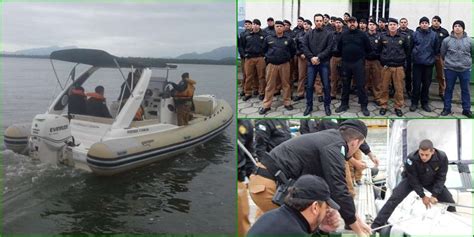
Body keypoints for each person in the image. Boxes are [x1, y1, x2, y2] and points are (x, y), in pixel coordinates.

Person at [248, 119, 372, 236]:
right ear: (355, 142)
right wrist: (358, 231)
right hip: (269, 184)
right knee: (298, 224)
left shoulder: (330, 139)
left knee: (310, 223)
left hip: (273, 181)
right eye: (359, 145)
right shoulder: (334, 147)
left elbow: (332, 187)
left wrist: (356, 219)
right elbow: (339, 188)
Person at [371, 139, 456, 231]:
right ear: (418, 151)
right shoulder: (411, 158)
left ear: (433, 151)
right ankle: (376, 225)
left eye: (426, 155)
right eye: (421, 154)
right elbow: (413, 179)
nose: (423, 157)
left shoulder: (442, 157)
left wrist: (434, 195)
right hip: (411, 180)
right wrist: (423, 196)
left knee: (449, 201)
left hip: (431, 180)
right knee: (394, 197)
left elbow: (441, 177)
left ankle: (454, 224)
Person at [247, 175, 341, 236]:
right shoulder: (295, 232)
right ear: (315, 207)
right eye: (326, 208)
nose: (326, 212)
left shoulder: (270, 216)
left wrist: (323, 230)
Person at [335, 16, 372, 117]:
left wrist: (362, 58)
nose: (352, 24)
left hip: (358, 63)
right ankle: (344, 104)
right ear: (347, 24)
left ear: (357, 23)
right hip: (346, 63)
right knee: (345, 84)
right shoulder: (343, 35)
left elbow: (369, 49)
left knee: (360, 85)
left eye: (354, 22)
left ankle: (364, 106)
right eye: (350, 22)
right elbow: (339, 48)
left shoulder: (363, 35)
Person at [259, 20, 296, 115]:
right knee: (270, 85)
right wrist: (269, 58)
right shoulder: (268, 38)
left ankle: (287, 102)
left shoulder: (288, 39)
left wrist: (287, 58)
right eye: (277, 26)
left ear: (283, 28)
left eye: (280, 26)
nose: (279, 27)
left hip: (285, 65)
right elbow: (263, 50)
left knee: (286, 85)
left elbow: (293, 51)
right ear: (274, 27)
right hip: (272, 65)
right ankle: (266, 105)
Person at [301, 14, 333, 116]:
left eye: (320, 20)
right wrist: (311, 58)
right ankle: (309, 106)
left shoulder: (328, 34)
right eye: (317, 20)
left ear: (323, 21)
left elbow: (329, 48)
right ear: (314, 22)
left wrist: (319, 57)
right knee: (310, 86)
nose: (318, 22)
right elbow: (304, 47)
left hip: (323, 63)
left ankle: (327, 106)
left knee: (326, 86)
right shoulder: (309, 34)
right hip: (311, 63)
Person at [378, 18, 410, 117]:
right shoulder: (383, 36)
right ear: (388, 26)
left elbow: (407, 51)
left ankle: (398, 107)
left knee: (399, 89)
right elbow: (379, 49)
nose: (392, 26)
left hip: (398, 67)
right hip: (386, 66)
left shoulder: (403, 37)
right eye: (391, 24)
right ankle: (383, 105)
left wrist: (403, 62)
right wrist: (383, 61)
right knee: (384, 88)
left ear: (397, 26)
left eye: (394, 24)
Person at [440, 20, 472, 118]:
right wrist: (447, 64)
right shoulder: (447, 40)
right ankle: (447, 108)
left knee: (465, 90)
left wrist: (467, 63)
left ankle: (466, 110)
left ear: (463, 28)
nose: (457, 28)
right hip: (450, 69)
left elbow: (472, 54)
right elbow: (443, 53)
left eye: (459, 26)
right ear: (453, 28)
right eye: (455, 26)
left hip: (465, 69)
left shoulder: (470, 41)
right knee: (448, 89)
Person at [410, 17, 439, 113]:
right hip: (417, 64)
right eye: (422, 22)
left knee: (426, 85)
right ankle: (414, 103)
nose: (424, 24)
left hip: (428, 64)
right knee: (416, 85)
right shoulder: (415, 34)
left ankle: (424, 103)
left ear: (428, 24)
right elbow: (410, 47)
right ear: (419, 24)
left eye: (426, 23)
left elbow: (436, 48)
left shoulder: (434, 35)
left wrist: (432, 58)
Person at [237, 120, 256, 236]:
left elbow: (249, 151)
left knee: (243, 220)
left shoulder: (246, 125)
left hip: (238, 179)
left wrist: (252, 177)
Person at [241, 19, 266, 101]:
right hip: (249, 58)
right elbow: (242, 46)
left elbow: (267, 46)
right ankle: (247, 93)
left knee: (261, 76)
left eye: (257, 24)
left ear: (259, 26)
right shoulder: (246, 35)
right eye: (254, 24)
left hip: (260, 58)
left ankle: (262, 92)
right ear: (252, 25)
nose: (255, 26)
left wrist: (265, 56)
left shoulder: (264, 35)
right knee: (248, 76)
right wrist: (244, 55)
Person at [293, 19, 313, 102]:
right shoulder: (299, 34)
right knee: (301, 76)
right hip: (302, 57)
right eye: (305, 24)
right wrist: (300, 53)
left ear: (311, 25)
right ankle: (300, 93)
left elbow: (317, 45)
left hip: (312, 58)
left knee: (316, 77)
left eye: (308, 24)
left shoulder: (314, 33)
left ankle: (319, 94)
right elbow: (296, 46)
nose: (306, 25)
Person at [431, 16, 450, 100]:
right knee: (426, 75)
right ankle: (424, 92)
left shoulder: (444, 32)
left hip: (440, 56)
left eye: (438, 21)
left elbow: (448, 44)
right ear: (431, 22)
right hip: (429, 55)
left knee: (441, 75)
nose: (436, 22)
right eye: (434, 21)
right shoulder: (428, 30)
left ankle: (442, 92)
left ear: (440, 22)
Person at [365, 19, 383, 106]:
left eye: (373, 25)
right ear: (368, 26)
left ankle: (378, 98)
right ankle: (364, 98)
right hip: (366, 61)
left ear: (376, 26)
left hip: (376, 61)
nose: (371, 26)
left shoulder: (380, 36)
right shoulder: (364, 36)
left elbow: (383, 49)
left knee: (377, 80)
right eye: (370, 24)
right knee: (365, 80)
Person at [398, 18, 415, 97]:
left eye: (405, 22)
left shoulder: (411, 33)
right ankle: (394, 89)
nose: (403, 24)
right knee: (396, 75)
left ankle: (408, 89)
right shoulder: (396, 32)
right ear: (399, 24)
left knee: (408, 75)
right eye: (402, 22)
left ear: (407, 23)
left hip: (408, 57)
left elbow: (414, 44)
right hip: (398, 57)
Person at [329, 18, 345, 100]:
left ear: (342, 24)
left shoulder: (345, 34)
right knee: (333, 76)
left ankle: (343, 94)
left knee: (344, 76)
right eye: (337, 23)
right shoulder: (331, 34)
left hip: (343, 58)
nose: (338, 24)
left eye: (339, 22)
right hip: (333, 57)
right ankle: (333, 93)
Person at [238, 20, 254, 97]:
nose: (247, 25)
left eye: (249, 24)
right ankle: (244, 89)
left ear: (251, 25)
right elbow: (240, 46)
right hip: (245, 57)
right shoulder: (242, 34)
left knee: (254, 74)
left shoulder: (254, 33)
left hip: (253, 57)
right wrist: (243, 55)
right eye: (246, 24)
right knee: (245, 74)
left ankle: (253, 89)